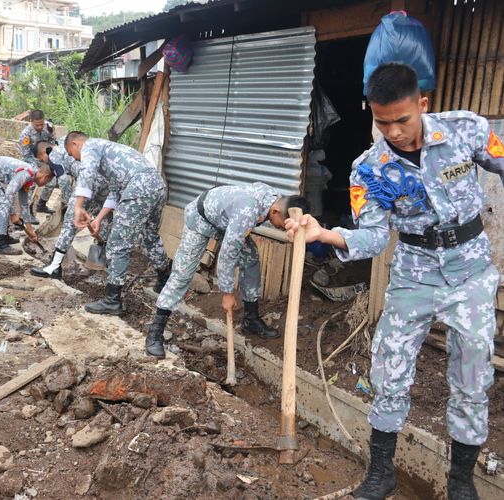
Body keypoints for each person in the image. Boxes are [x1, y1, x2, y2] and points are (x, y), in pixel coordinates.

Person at [284, 63, 504, 500]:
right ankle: (381, 472)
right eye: (382, 123)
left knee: (472, 375)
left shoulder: (467, 131)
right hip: (413, 273)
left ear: (422, 104)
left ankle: (460, 481)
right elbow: (372, 236)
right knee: (390, 371)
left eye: (402, 120)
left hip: (471, 272)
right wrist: (325, 233)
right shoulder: (369, 169)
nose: (394, 132)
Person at [146, 184, 310, 358]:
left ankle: (251, 319)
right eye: (283, 225)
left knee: (250, 258)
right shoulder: (248, 211)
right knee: (183, 274)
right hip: (201, 219)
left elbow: (235, 238)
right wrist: (227, 293)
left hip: (226, 222)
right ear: (276, 211)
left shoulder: (273, 198)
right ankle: (155, 332)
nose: (283, 229)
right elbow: (227, 254)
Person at [66, 131, 171, 314]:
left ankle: (112, 300)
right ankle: (164, 280)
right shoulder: (111, 153)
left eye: (71, 154)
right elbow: (115, 191)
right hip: (157, 186)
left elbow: (86, 173)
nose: (74, 159)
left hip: (139, 187)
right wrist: (98, 219)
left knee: (117, 244)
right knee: (151, 236)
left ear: (75, 144)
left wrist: (78, 206)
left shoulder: (90, 146)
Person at [30, 140, 111, 279]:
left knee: (70, 222)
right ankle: (107, 259)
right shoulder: (64, 149)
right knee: (102, 218)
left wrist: (70, 205)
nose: (44, 162)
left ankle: (54, 267)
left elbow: (62, 180)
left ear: (43, 152)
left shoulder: (53, 155)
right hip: (105, 182)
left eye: (41, 159)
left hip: (88, 182)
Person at [0, 155, 53, 255]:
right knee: (3, 203)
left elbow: (24, 204)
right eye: (47, 182)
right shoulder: (27, 173)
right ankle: (1, 244)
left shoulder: (30, 177)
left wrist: (29, 229)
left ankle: (4, 236)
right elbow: (9, 193)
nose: (44, 184)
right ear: (45, 176)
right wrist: (13, 215)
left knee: (6, 203)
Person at [18, 110, 57, 215]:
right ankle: (27, 212)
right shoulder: (25, 135)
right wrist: (36, 170)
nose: (40, 127)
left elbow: (53, 142)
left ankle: (41, 205)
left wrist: (50, 160)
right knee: (31, 184)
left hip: (45, 158)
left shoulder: (48, 127)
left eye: (41, 124)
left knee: (52, 181)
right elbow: (26, 155)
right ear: (31, 121)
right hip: (31, 160)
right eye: (37, 125)